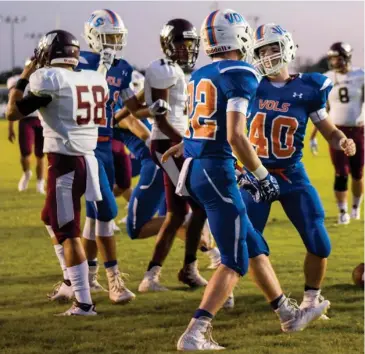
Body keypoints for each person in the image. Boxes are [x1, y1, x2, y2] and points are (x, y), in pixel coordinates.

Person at [166, 12, 330, 351]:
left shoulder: (202, 72)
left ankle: (287, 313)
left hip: (198, 168)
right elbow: (237, 136)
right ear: (238, 37)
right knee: (234, 260)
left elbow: (201, 124)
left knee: (253, 246)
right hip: (218, 170)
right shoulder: (240, 71)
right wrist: (262, 176)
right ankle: (196, 332)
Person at [48, 9, 168, 303]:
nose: (113, 43)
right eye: (108, 37)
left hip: (104, 144)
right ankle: (93, 280)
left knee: (97, 216)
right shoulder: (78, 63)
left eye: (117, 37)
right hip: (78, 144)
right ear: (93, 38)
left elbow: (126, 108)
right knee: (84, 215)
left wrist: (152, 111)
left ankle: (84, 278)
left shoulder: (123, 67)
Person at [240, 24, 356, 321]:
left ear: (287, 48)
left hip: (292, 173)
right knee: (246, 243)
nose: (267, 56)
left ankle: (311, 300)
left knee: (320, 241)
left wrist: (342, 140)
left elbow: (328, 131)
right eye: (261, 50)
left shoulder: (309, 88)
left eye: (272, 48)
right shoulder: (248, 83)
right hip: (255, 174)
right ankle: (240, 294)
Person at [6, 30, 108, 315]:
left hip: (66, 162)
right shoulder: (90, 77)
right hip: (85, 159)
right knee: (49, 218)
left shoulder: (49, 79)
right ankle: (69, 281)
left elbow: (13, 112)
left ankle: (84, 302)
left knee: (69, 232)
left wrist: (26, 72)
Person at [121, 18, 209, 291]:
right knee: (199, 207)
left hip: (172, 143)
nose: (186, 49)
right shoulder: (163, 69)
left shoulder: (174, 72)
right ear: (167, 45)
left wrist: (127, 106)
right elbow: (160, 118)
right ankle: (189, 269)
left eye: (190, 44)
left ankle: (152, 276)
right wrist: (186, 141)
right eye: (180, 44)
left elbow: (139, 105)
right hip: (169, 145)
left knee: (176, 214)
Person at [309, 42, 364, 224]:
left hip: (358, 130)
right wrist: (314, 135)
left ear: (346, 58)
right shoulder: (326, 78)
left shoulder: (361, 75)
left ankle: (356, 207)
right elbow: (322, 109)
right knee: (341, 173)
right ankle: (342, 211)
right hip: (335, 131)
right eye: (332, 59)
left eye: (338, 58)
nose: (335, 62)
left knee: (358, 173)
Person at [7, 70, 45, 194]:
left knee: (40, 155)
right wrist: (10, 127)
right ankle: (27, 173)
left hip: (42, 120)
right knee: (25, 152)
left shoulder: (46, 77)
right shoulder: (19, 80)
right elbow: (13, 102)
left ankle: (40, 182)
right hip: (25, 119)